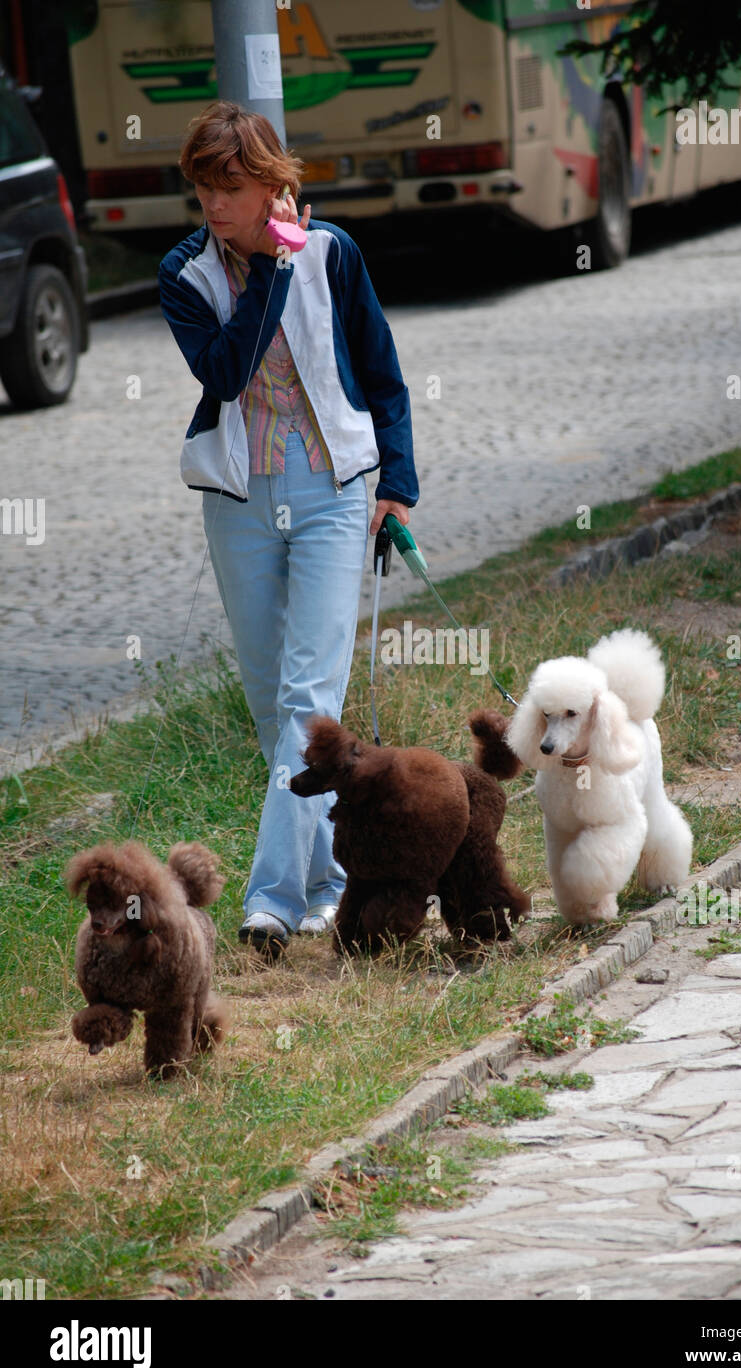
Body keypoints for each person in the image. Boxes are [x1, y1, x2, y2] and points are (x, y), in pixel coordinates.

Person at [158, 99, 418, 953]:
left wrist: (398, 485)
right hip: (238, 501)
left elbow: (381, 371)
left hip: (332, 489)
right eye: (203, 190)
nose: (215, 207)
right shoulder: (182, 275)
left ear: (273, 181)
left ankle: (267, 902)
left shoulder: (334, 253)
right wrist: (269, 266)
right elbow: (228, 374)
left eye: (230, 188)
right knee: (276, 705)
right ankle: (330, 881)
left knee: (310, 703)